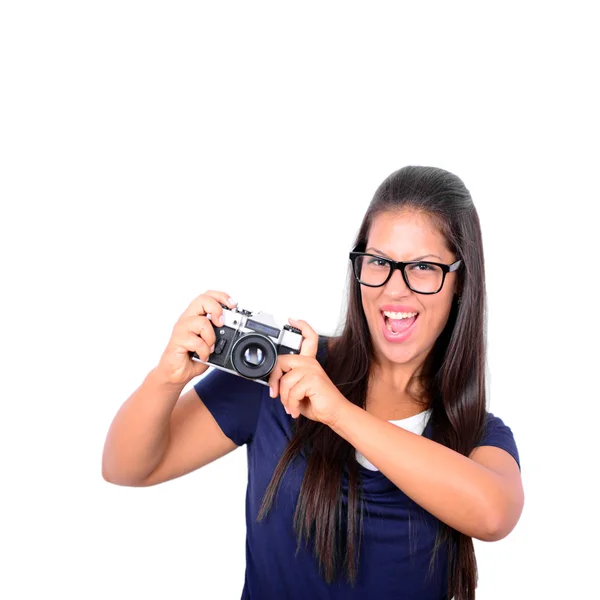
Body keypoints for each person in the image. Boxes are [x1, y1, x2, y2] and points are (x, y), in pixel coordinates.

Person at [102, 165, 524, 600]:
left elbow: (494, 515)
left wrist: (338, 412)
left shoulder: (476, 433)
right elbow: (126, 467)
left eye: (422, 267)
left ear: (460, 281)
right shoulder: (284, 371)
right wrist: (165, 380)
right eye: (378, 261)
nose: (395, 290)